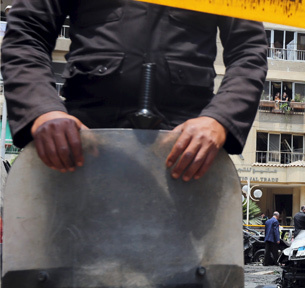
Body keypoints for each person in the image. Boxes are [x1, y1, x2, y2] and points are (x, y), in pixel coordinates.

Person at [1, 1, 268, 181]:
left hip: (186, 155)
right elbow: (26, 34)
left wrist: (220, 120)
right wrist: (43, 111)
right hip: (81, 148)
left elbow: (249, 51)